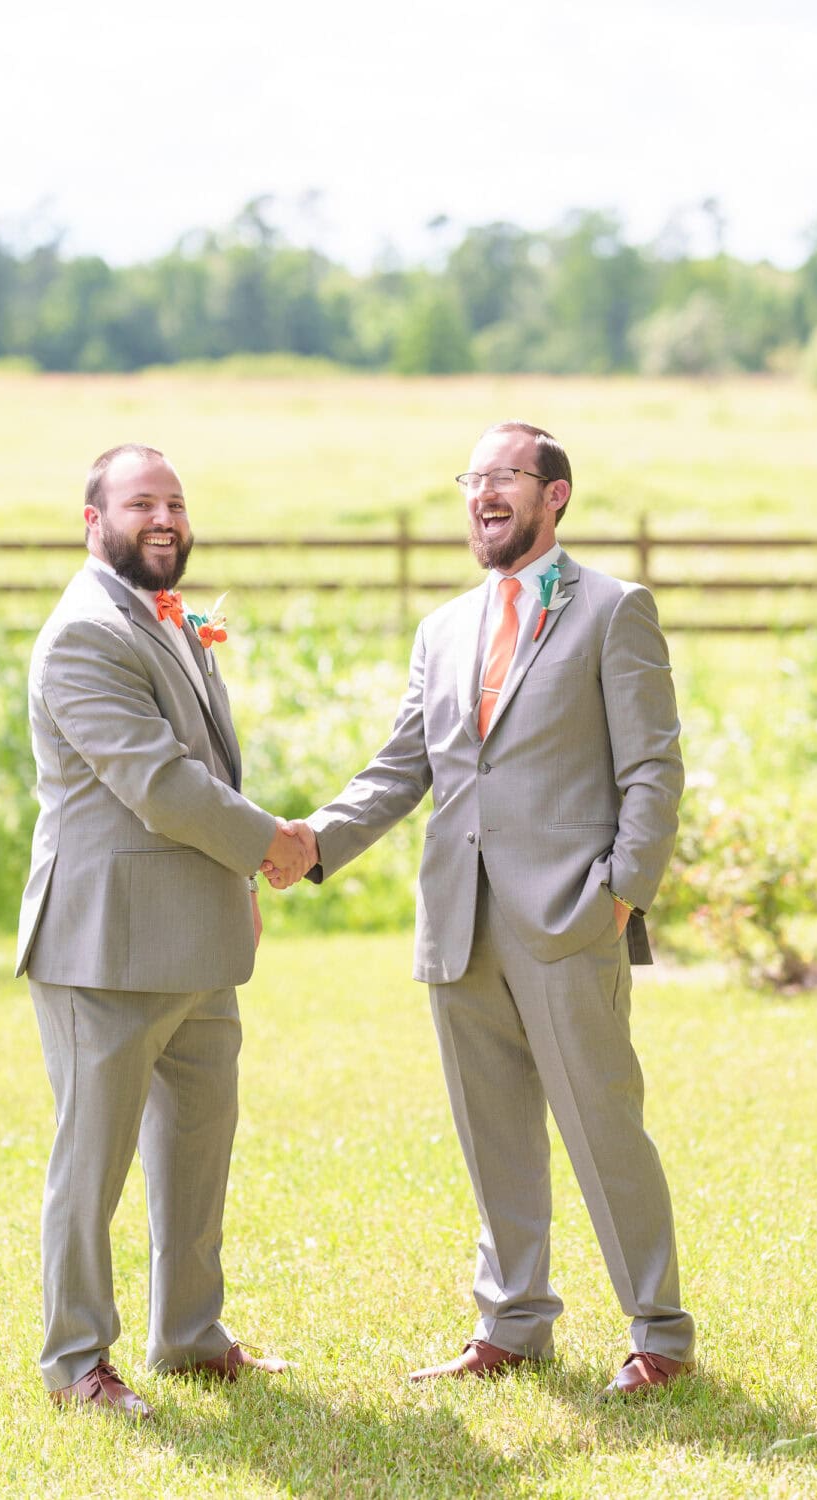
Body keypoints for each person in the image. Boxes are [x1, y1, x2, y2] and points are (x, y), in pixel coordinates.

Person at [268, 420, 695, 1397]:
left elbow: (654, 771)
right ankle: (512, 1324)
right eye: (473, 479)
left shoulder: (614, 611)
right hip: (459, 924)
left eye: (506, 477)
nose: (484, 494)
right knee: (492, 1131)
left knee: (604, 1127)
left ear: (556, 496)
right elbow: (403, 766)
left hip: (572, 920)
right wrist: (312, 840)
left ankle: (660, 1337)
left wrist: (621, 895)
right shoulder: (444, 630)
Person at [16, 442, 311, 1418]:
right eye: (141, 502)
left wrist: (244, 881)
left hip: (197, 935)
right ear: (92, 521)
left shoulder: (170, 617)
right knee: (90, 1164)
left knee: (197, 1145)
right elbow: (157, 782)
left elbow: (205, 772)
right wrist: (272, 844)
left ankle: (190, 1335)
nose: (165, 518)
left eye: (176, 502)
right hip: (105, 941)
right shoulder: (83, 636)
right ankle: (75, 1363)